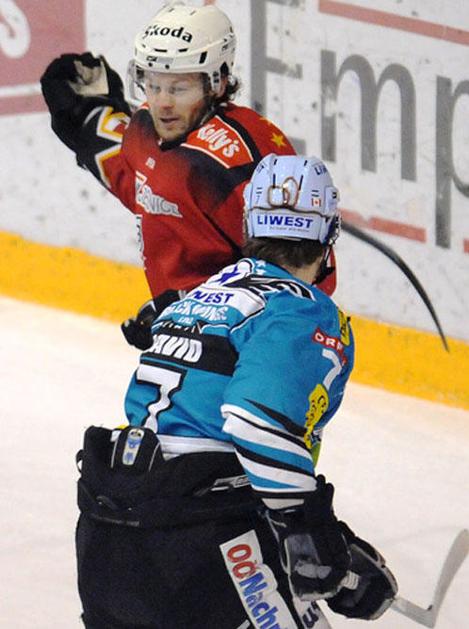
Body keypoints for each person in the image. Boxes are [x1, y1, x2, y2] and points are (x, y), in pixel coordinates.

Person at [75, 154, 397, 628]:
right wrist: (307, 529)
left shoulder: (201, 295)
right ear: (329, 236)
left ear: (249, 226)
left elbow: (201, 439)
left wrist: (329, 537)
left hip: (107, 541)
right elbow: (255, 423)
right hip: (198, 547)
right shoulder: (299, 309)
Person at [40, 1, 337, 351]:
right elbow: (145, 181)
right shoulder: (150, 129)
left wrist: (191, 310)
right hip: (195, 342)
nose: (162, 103)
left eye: (179, 88)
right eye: (153, 85)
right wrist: (88, 118)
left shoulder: (241, 164)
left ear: (218, 82)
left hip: (257, 350)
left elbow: (303, 281)